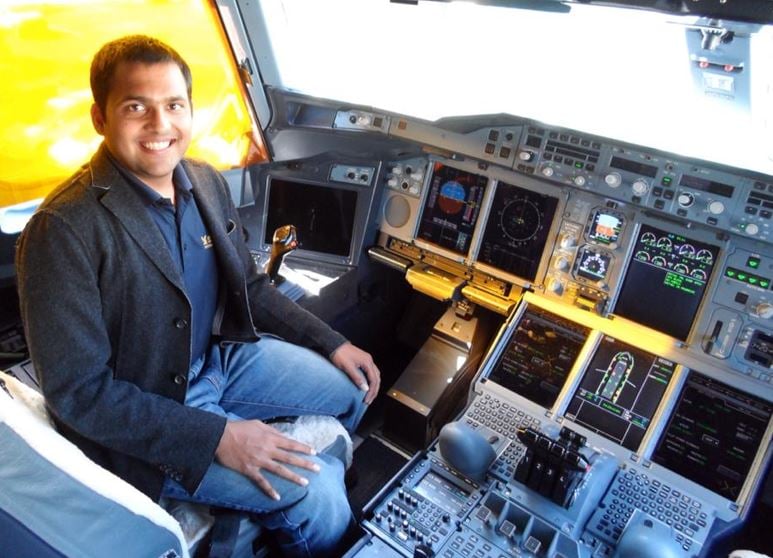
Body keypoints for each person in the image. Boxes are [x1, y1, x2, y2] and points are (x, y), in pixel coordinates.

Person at [15, 35, 380, 557]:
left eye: (173, 105)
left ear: (190, 111)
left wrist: (331, 343)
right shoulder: (63, 230)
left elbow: (249, 286)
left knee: (348, 389)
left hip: (222, 361)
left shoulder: (204, 180)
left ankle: (259, 483)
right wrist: (216, 438)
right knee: (318, 494)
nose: (160, 125)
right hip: (154, 406)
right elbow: (80, 394)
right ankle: (281, 520)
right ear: (100, 118)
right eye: (136, 107)